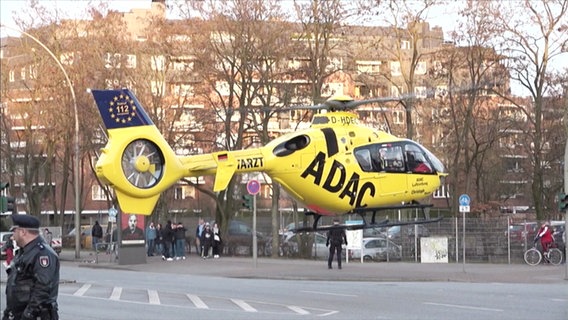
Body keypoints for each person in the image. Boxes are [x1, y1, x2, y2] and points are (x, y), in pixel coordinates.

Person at [3, 215, 59, 320]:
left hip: (35, 316)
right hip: (18, 313)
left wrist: (28, 314)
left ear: (23, 232)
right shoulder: (23, 252)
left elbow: (42, 289)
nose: (12, 236)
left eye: (14, 231)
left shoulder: (42, 254)